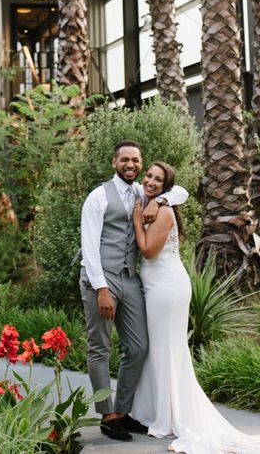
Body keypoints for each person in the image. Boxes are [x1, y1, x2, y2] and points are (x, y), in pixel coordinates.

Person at [130, 162, 260, 454]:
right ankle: (157, 412)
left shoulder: (163, 211)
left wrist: (138, 218)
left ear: (165, 186)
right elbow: (182, 190)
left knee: (167, 349)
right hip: (155, 285)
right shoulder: (152, 198)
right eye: (149, 175)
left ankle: (169, 416)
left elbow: (148, 249)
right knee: (159, 349)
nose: (150, 181)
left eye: (158, 180)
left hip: (167, 288)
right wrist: (158, 197)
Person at [79, 141, 188, 442]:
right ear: (114, 162)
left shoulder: (143, 192)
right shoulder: (98, 196)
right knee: (99, 347)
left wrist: (162, 202)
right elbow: (89, 247)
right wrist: (101, 289)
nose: (131, 164)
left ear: (141, 164)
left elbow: (180, 191)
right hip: (102, 278)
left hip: (131, 278)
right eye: (124, 159)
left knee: (138, 346)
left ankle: (124, 411)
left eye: (136, 160)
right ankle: (107, 414)